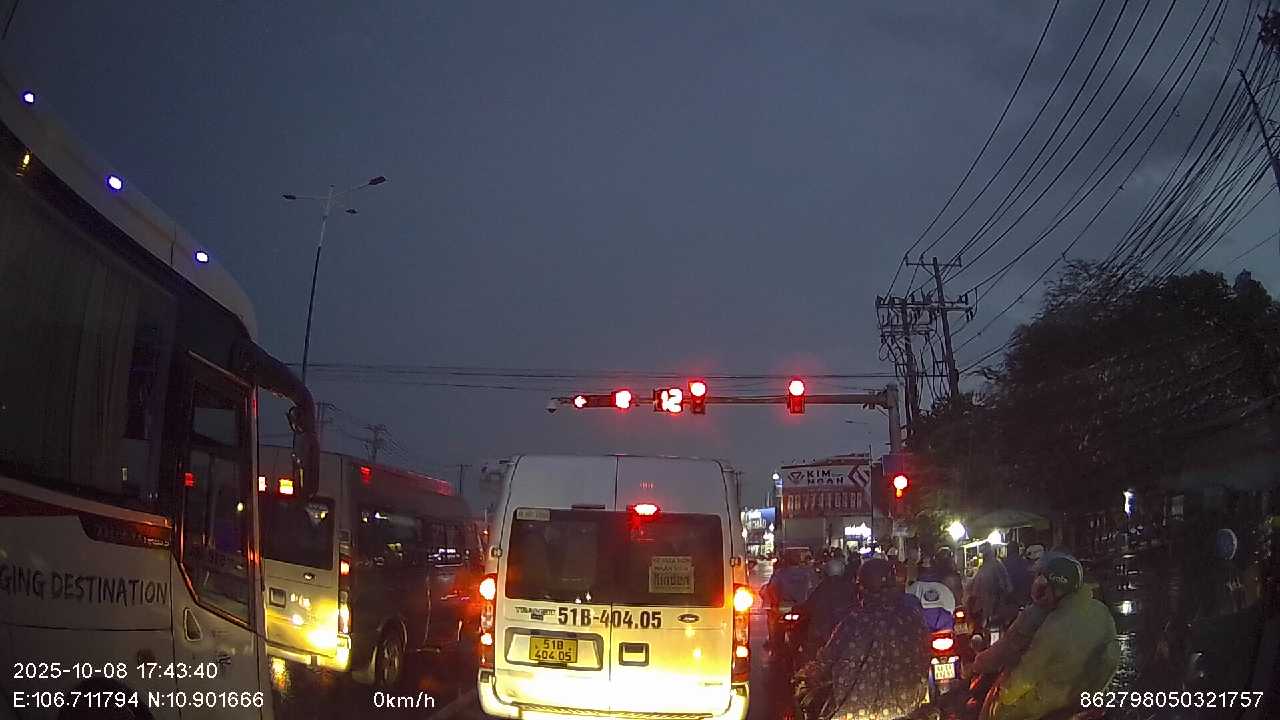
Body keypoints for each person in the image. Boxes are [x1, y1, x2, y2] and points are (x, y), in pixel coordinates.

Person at [981, 555, 1120, 720]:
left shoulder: (1054, 622)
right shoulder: (1100, 610)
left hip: (1052, 701)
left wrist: (1004, 694)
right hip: (1088, 696)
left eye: (1046, 588)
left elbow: (1029, 670)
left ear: (1057, 589)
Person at [794, 558, 929, 720]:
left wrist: (806, 675)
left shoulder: (854, 620)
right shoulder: (912, 616)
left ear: (863, 587)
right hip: (907, 707)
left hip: (856, 711)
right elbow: (925, 653)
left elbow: (827, 659)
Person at [794, 557, 858, 663]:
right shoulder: (851, 589)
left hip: (822, 635)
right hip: (843, 637)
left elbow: (808, 606)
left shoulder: (822, 588)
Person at [965, 544, 1012, 630]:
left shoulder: (994, 566)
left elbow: (1005, 586)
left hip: (995, 606)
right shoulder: (987, 567)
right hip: (988, 607)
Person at [1003, 540, 1033, 607]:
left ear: (1008, 550)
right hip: (1024, 597)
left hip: (1010, 599)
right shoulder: (1025, 562)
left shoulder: (1004, 564)